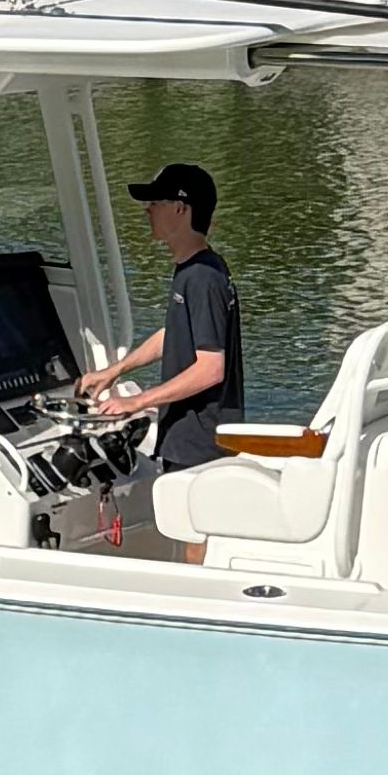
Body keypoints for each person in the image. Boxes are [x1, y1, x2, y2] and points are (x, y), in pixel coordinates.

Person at [79, 162, 242, 524]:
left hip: (199, 442)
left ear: (181, 209)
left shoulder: (202, 277)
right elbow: (175, 333)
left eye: (155, 202)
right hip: (186, 436)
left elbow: (211, 368)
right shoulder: (195, 269)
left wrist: (137, 401)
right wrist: (115, 371)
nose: (147, 210)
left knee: (194, 535)